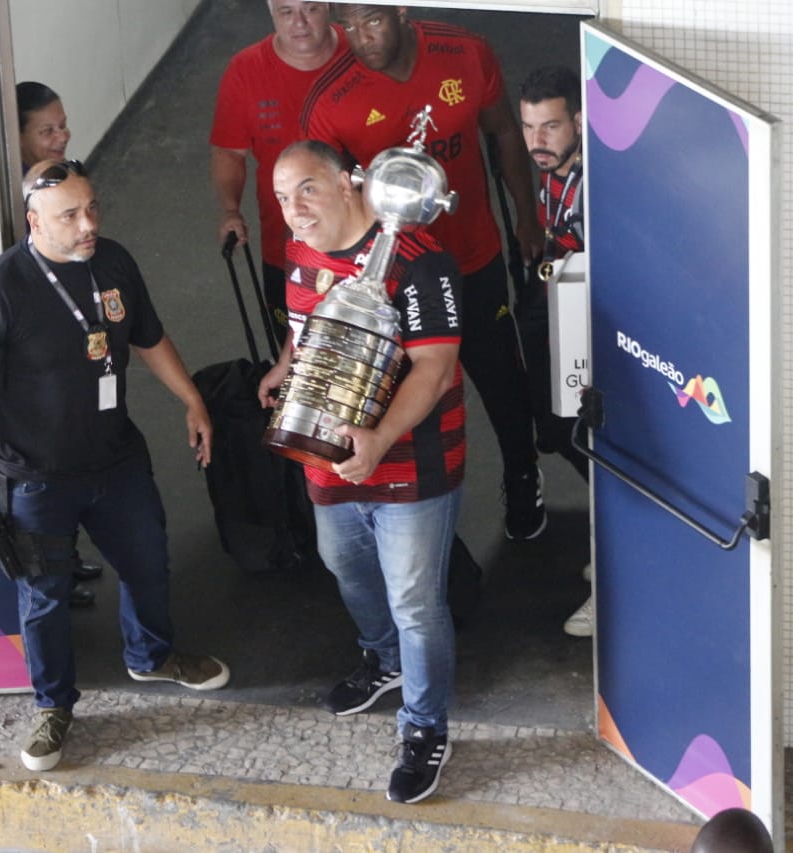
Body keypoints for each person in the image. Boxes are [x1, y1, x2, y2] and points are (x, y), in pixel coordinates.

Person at [0, 159, 230, 773]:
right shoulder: (0, 291)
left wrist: (192, 399)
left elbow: (148, 337)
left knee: (148, 560)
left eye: (92, 208)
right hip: (35, 478)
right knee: (43, 596)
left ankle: (151, 656)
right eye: (70, 215)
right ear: (34, 220)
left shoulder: (114, 262)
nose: (87, 224)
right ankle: (53, 707)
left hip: (115, 458)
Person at [259, 140, 464, 804]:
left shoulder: (420, 261)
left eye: (308, 191)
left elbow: (433, 369)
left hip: (412, 459)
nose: (294, 211)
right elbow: (307, 322)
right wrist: (285, 366)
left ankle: (426, 727)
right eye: (283, 197)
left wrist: (377, 438)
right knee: (343, 562)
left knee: (415, 599)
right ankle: (383, 660)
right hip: (329, 457)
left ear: (351, 182)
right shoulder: (300, 249)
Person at [300, 4, 548, 542]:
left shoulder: (464, 52)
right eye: (349, 26)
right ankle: (428, 522)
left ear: (401, 8)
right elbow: (331, 197)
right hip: (399, 278)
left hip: (473, 259)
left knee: (503, 380)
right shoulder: (332, 101)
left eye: (373, 20)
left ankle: (523, 472)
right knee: (409, 391)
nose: (361, 39)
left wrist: (527, 219)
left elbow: (504, 131)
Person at [209, 0, 347, 342]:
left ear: (329, 6)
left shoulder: (360, 52)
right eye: (286, 12)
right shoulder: (245, 70)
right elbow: (229, 151)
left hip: (362, 245)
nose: (299, 22)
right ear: (271, 12)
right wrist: (230, 209)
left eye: (311, 9)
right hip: (285, 249)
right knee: (294, 360)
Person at [15, 81, 101, 607]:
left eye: (62, 125)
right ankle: (55, 575)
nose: (61, 137)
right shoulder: (13, 199)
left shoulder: (65, 182)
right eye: (46, 130)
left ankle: (66, 561)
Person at [518, 65, 594, 637]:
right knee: (558, 430)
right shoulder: (553, 170)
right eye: (528, 128)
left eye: (550, 127)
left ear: (580, 121)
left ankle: (619, 573)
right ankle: (615, 540)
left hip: (599, 332)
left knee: (592, 442)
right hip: (562, 314)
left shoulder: (597, 186)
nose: (537, 141)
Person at [16, 82, 71, 169]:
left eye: (62, 126)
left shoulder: (65, 172)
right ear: (18, 138)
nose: (63, 138)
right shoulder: (16, 181)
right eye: (48, 131)